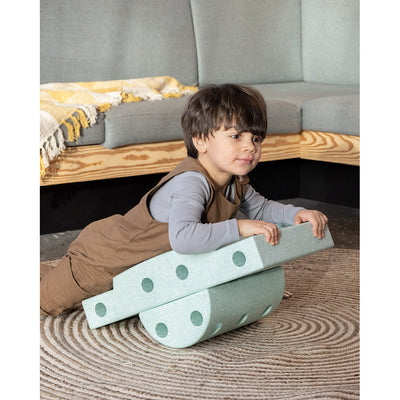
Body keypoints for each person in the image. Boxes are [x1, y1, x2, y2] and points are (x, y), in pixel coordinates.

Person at [40, 84, 328, 317]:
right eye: (236, 136)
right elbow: (184, 239)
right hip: (102, 261)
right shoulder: (192, 182)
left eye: (256, 139)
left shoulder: (234, 181)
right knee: (45, 302)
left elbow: (262, 208)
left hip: (138, 270)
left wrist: (295, 214)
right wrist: (240, 227)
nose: (249, 147)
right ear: (200, 141)